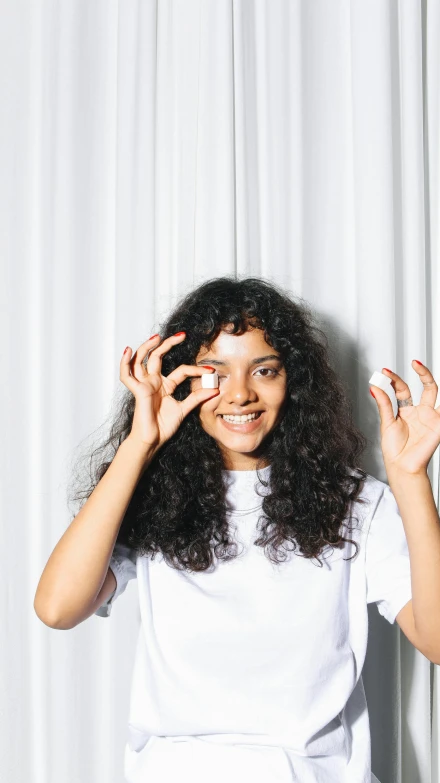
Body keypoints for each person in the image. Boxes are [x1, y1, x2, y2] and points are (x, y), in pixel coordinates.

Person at [34, 275, 415, 783]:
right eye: (215, 372)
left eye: (264, 369)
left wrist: (410, 479)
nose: (239, 395)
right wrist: (139, 446)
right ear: (183, 379)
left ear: (292, 381)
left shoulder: (356, 501)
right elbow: (57, 609)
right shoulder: (152, 497)